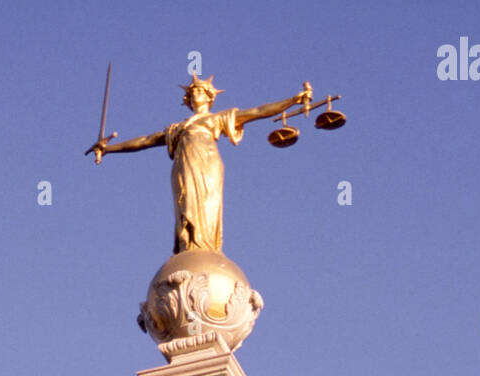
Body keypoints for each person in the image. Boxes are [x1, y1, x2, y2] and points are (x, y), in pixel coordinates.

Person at [91, 75, 313, 254]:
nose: (194, 94)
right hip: (183, 166)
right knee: (185, 203)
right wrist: (109, 148)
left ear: (209, 97)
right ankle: (189, 245)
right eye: (191, 92)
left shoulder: (217, 118)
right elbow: (146, 140)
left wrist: (293, 100)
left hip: (206, 163)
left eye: (198, 91)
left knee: (206, 203)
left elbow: (258, 111)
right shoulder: (177, 128)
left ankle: (205, 247)